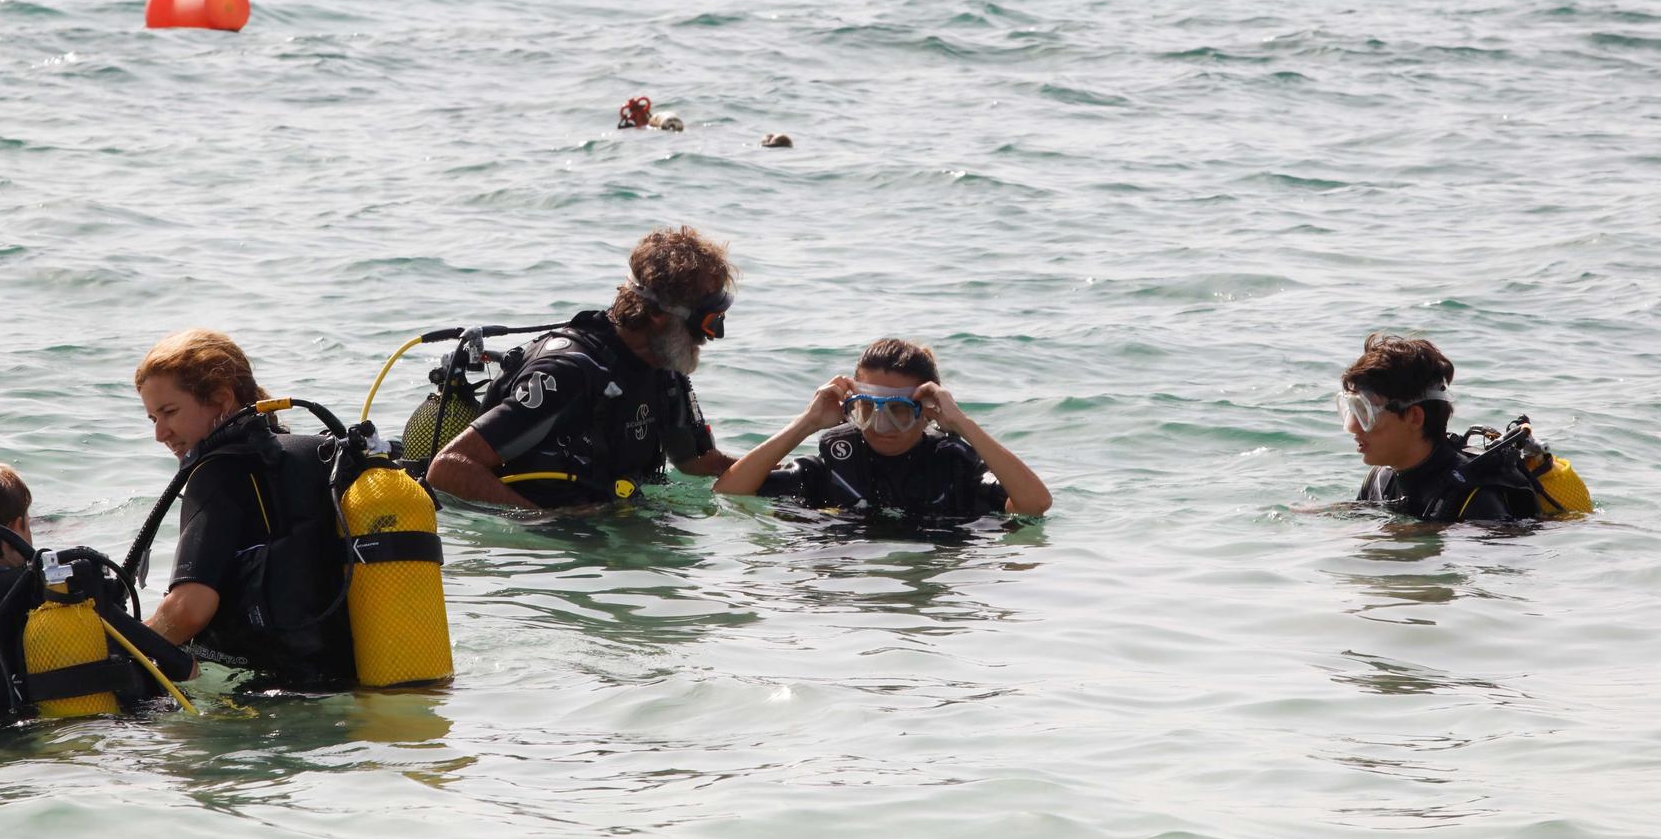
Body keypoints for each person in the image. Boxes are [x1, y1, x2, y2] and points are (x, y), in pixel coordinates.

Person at [426, 226, 737, 510]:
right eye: (706, 322)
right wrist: (539, 524)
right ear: (658, 314)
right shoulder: (567, 374)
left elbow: (697, 461)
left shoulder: (664, 369)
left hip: (613, 524)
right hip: (553, 546)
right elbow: (449, 467)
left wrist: (779, 468)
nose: (714, 336)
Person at [134, 330, 357, 683]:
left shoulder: (217, 471)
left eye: (169, 412)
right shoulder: (318, 454)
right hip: (346, 676)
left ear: (222, 399)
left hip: (267, 697)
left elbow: (190, 609)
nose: (160, 433)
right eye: (152, 419)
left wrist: (122, 651)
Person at [0, 464, 194, 715]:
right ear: (17, 526)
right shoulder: (54, 591)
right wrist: (187, 666)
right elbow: (158, 655)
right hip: (84, 727)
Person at [714, 338, 1052, 521]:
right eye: (867, 410)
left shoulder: (953, 465)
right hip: (846, 580)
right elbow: (728, 492)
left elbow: (1035, 504)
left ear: (927, 413)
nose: (881, 427)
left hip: (927, 575)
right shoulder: (836, 462)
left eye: (900, 411)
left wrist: (962, 425)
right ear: (852, 407)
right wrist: (806, 423)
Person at [1340, 333, 1538, 521]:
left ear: (1414, 417)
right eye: (1352, 410)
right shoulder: (1380, 479)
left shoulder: (1476, 497)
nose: (1352, 427)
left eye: (1366, 413)